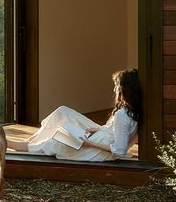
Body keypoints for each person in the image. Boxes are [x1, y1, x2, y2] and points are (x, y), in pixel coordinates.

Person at [9, 68, 142, 162]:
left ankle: (14, 144)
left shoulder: (122, 115)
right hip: (101, 136)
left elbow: (119, 151)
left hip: (96, 148)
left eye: (116, 86)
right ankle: (29, 142)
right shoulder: (130, 111)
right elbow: (125, 136)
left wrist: (89, 143)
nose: (114, 89)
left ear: (124, 89)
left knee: (53, 141)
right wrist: (99, 130)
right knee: (62, 112)